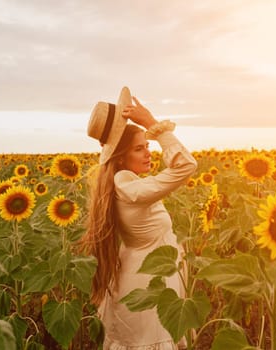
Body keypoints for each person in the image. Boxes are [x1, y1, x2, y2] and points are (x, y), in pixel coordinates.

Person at [81, 86, 197, 349]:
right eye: (139, 149)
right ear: (120, 158)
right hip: (149, 283)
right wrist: (153, 125)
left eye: (148, 146)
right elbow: (186, 165)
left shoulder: (123, 182)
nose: (149, 153)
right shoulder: (129, 188)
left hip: (145, 276)